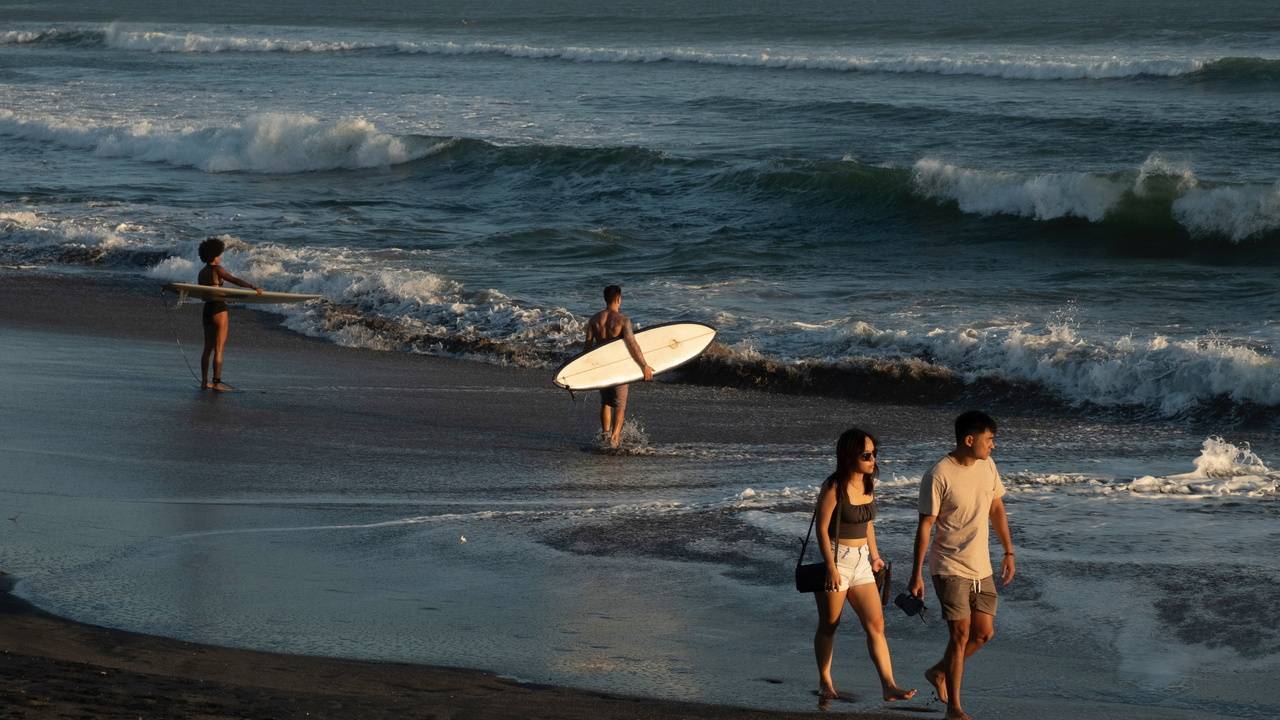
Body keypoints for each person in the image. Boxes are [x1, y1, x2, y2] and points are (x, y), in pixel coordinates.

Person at [908, 411, 1016, 720]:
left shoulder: (988, 466)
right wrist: (916, 574)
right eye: (989, 440)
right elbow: (925, 525)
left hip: (981, 566)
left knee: (983, 633)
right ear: (970, 440)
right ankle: (954, 709)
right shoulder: (939, 474)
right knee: (959, 634)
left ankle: (940, 672)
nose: (993, 446)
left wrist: (1008, 551)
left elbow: (996, 506)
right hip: (948, 565)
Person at [812, 427, 916, 706]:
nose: (873, 460)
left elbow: (867, 523)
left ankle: (889, 685)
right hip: (837, 558)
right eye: (866, 455)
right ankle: (825, 680)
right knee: (829, 625)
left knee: (876, 625)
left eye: (874, 454)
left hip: (860, 562)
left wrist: (875, 556)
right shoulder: (834, 486)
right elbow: (822, 530)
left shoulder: (868, 484)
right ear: (849, 456)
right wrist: (832, 567)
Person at [583, 285, 653, 448]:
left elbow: (586, 348)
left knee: (606, 402)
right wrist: (644, 366)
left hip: (602, 367)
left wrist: (585, 371)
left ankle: (605, 435)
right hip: (618, 367)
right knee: (620, 405)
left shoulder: (594, 320)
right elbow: (632, 345)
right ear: (619, 299)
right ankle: (614, 439)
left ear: (605, 299)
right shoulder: (623, 320)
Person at [196, 237, 261, 391]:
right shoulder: (217, 269)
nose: (221, 257)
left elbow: (206, 295)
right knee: (219, 349)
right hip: (219, 310)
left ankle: (204, 382)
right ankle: (217, 383)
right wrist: (252, 286)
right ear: (214, 255)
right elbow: (233, 280)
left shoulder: (202, 272)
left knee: (207, 348)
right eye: (219, 254)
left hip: (207, 311)